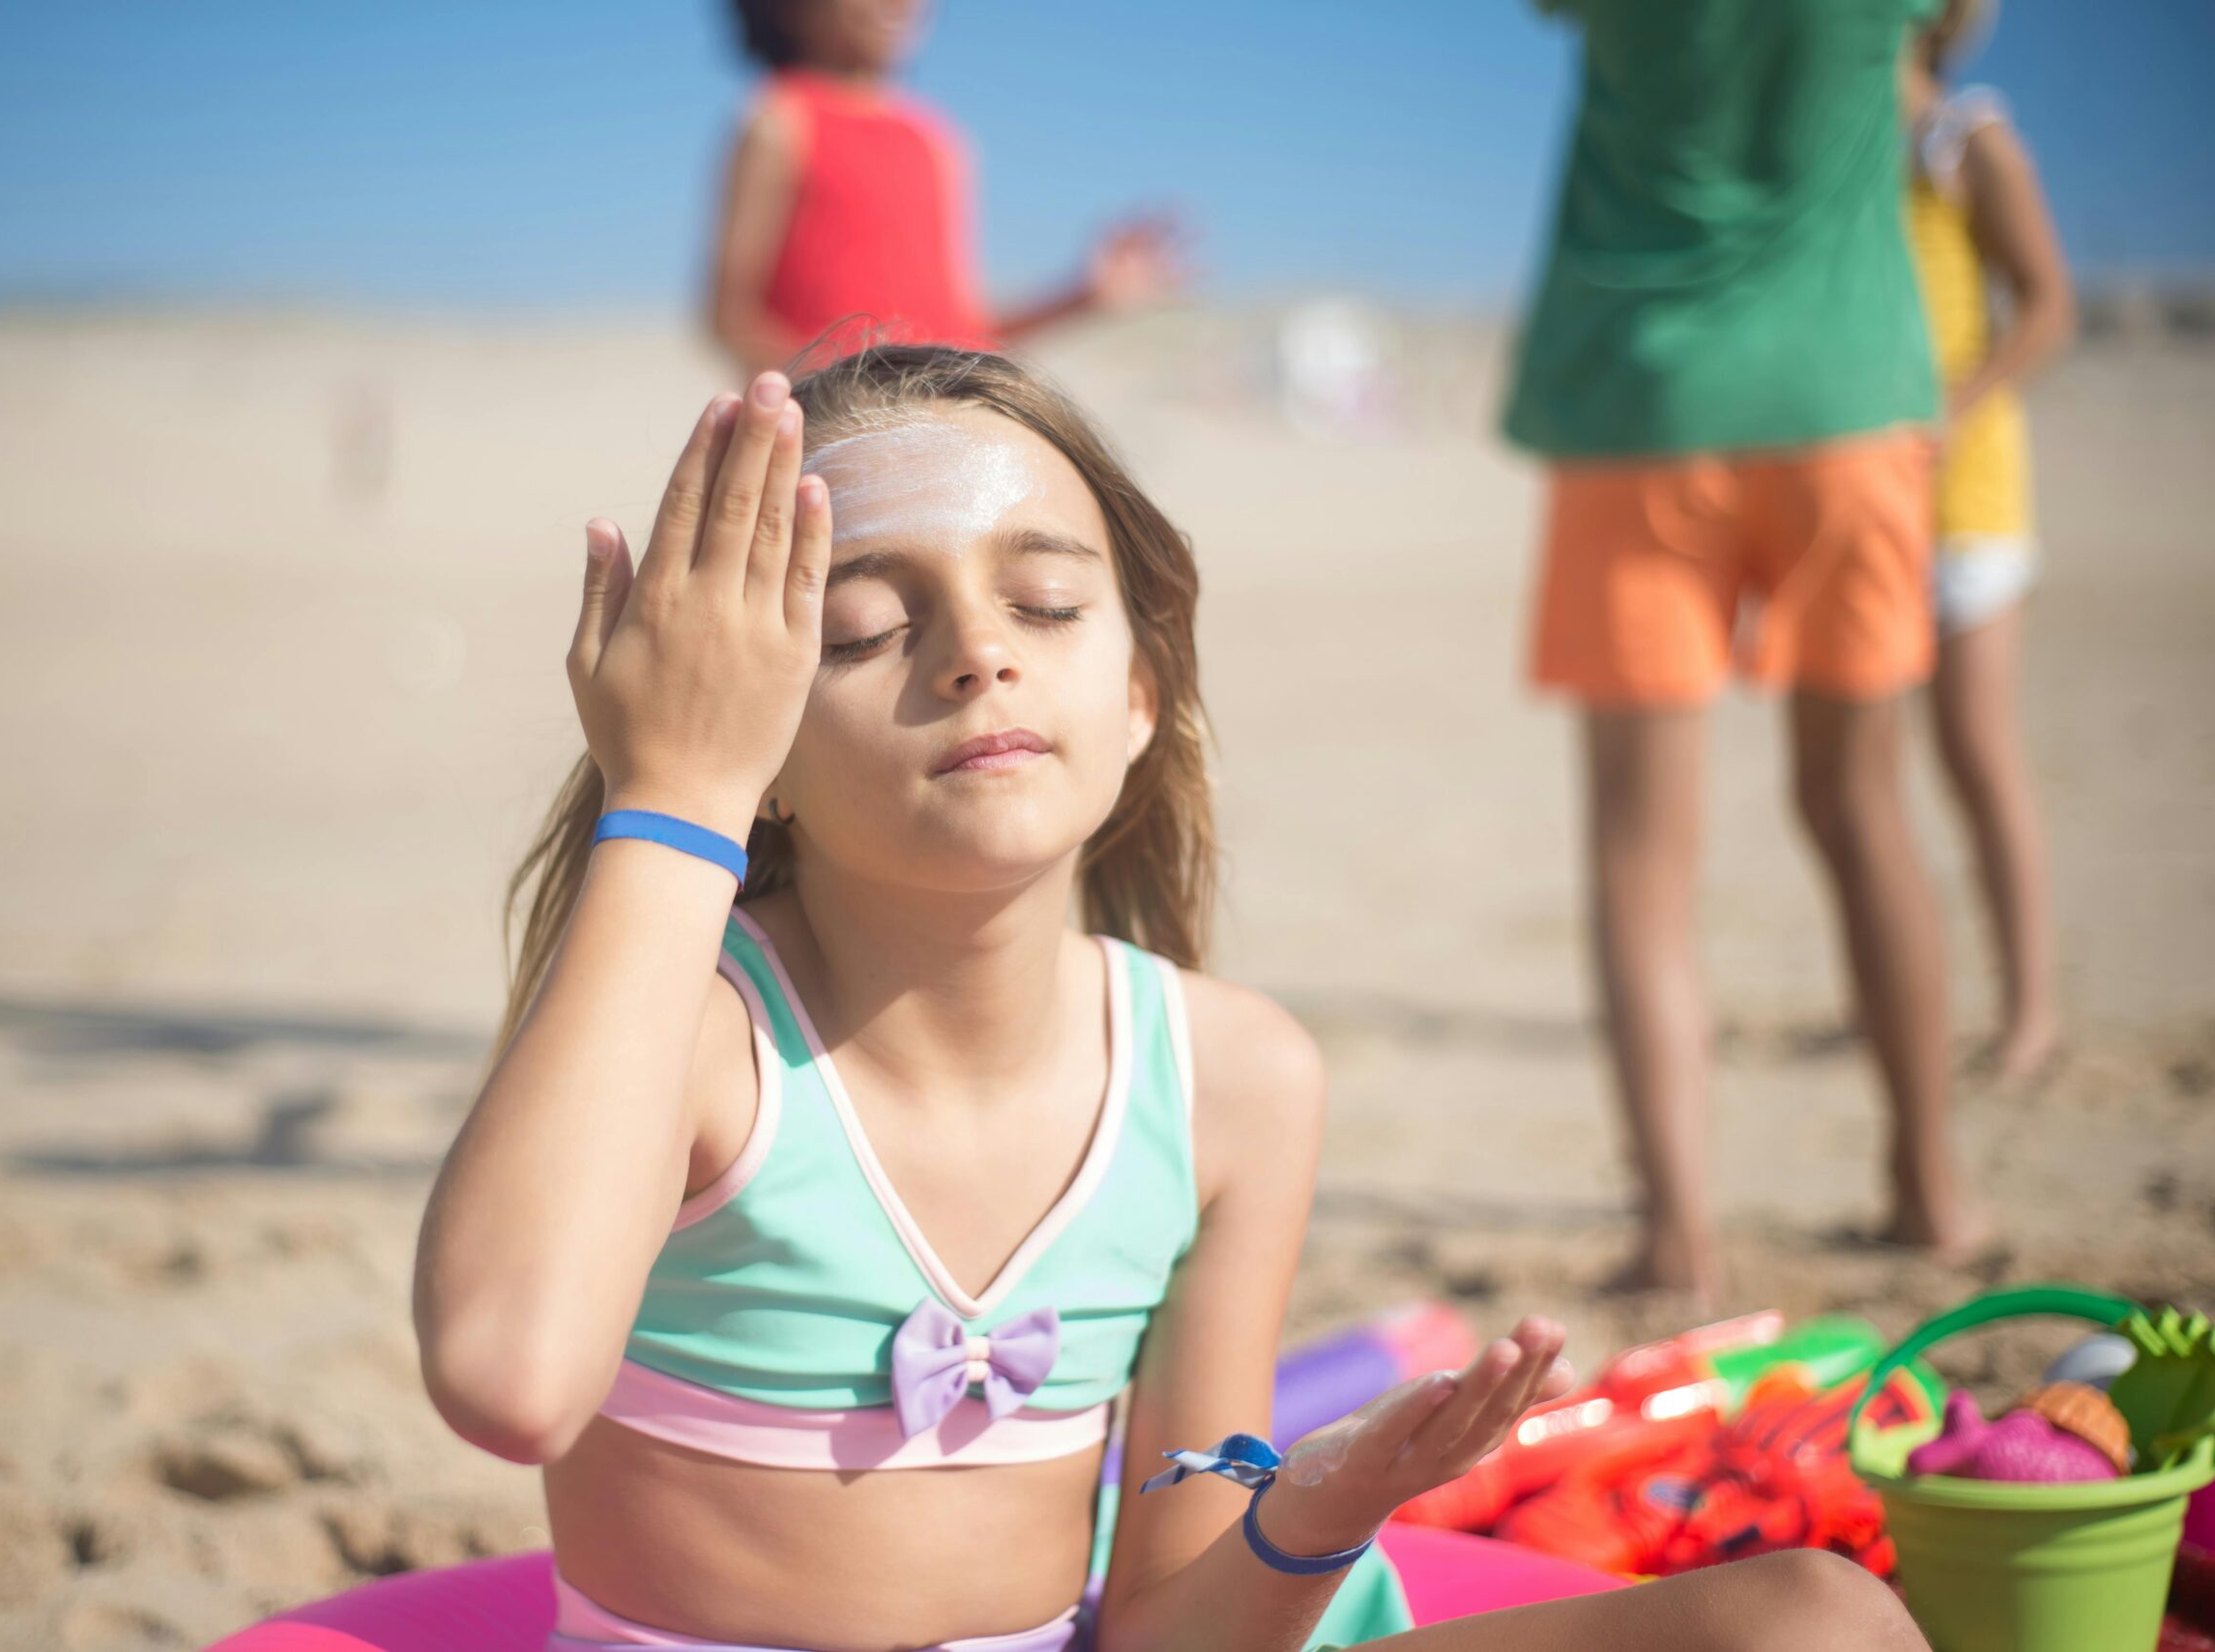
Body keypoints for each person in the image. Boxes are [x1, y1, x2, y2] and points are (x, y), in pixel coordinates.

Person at [412, 345, 1929, 1650]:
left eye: (1050, 605)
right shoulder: (697, 1033)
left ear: (1141, 696)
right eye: (869, 630)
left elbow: (1174, 1630)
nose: (979, 657)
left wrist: (1322, 1510)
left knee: (1819, 1617)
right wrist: (673, 795)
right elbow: (508, 1375)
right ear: (764, 744)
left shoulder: (1232, 1079)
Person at [1503, 0, 1982, 1303]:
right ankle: (1930, 1189)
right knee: (1864, 806)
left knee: (1639, 851)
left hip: (1644, 399)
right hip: (1848, 398)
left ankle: (1678, 1233)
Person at [1904, 0, 2073, 1086]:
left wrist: (1952, 412)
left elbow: (2046, 306)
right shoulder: (1835, 161)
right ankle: (1899, 992)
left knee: (1974, 753)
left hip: (1964, 497)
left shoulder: (1969, 138)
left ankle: (2028, 1009)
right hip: (1863, 501)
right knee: (1863, 775)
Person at [708, 0, 1183, 372]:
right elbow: (731, 319)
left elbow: (965, 332)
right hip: (829, 436)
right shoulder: (779, 119)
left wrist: (1081, 297)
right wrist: (842, 390)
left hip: (932, 427)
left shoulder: (939, 141)